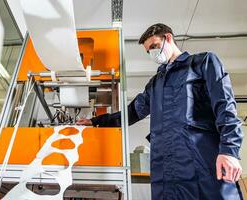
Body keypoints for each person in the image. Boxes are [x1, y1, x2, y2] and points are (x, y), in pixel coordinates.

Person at [77, 23, 244, 199]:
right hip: (165, 170)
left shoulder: (202, 63)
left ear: (168, 38)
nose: (152, 53)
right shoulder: (156, 83)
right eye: (148, 50)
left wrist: (229, 150)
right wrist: (95, 121)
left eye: (154, 46)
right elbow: (132, 112)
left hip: (201, 160)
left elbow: (225, 106)